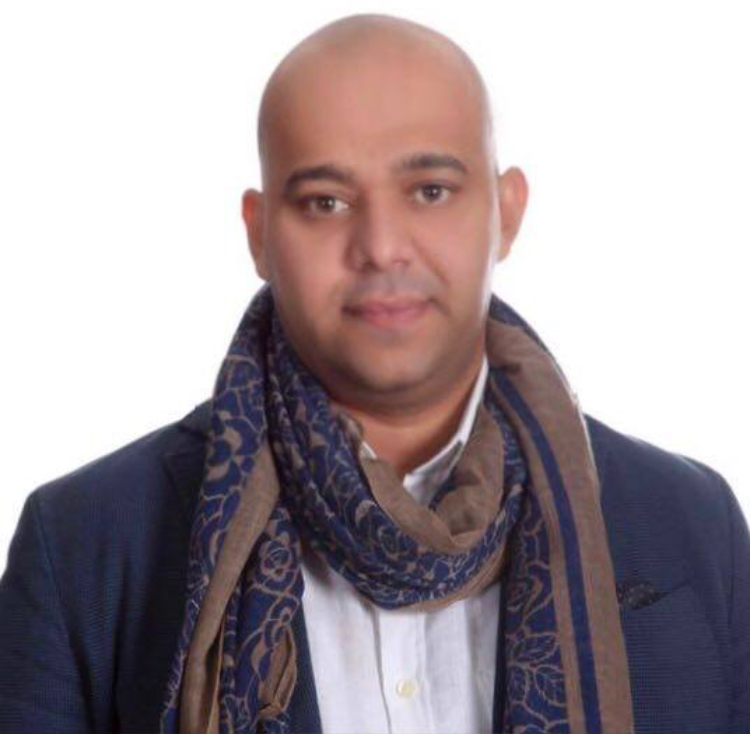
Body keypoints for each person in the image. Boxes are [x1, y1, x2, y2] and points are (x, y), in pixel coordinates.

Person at [0, 12, 747, 734]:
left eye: (430, 190)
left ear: (507, 212)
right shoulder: (84, 547)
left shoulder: (690, 524)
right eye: (324, 202)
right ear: (259, 235)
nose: (382, 245)